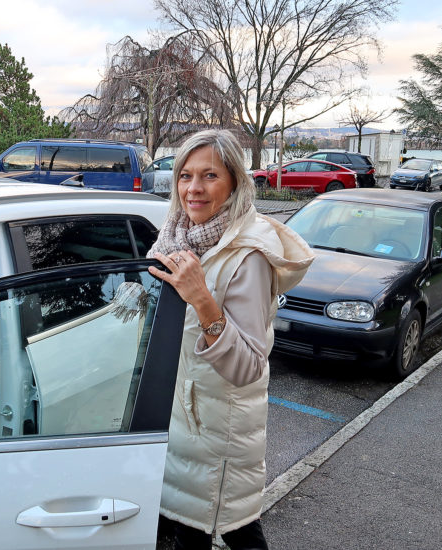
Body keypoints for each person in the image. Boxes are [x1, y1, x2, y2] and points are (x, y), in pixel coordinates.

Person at [147, 129, 314, 549]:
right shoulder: (176, 237)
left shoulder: (248, 256)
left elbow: (248, 366)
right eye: (185, 176)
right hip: (181, 417)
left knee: (226, 527)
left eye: (209, 176)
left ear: (235, 182)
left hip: (218, 428)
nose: (194, 189)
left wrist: (203, 299)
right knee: (197, 526)